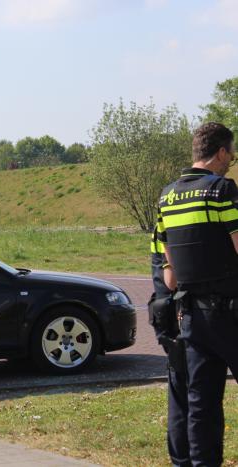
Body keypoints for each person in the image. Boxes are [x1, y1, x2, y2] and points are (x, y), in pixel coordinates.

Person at [156, 122, 238, 466]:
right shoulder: (222, 190)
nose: (231, 159)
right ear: (220, 152)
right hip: (231, 313)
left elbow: (170, 274)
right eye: (230, 153)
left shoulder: (167, 197)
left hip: (192, 318)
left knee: (201, 404)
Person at [148, 227, 189, 466]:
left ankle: (182, 459)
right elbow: (171, 279)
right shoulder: (171, 221)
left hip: (168, 312)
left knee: (180, 392)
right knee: (185, 394)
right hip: (178, 315)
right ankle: (182, 459)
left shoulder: (164, 217)